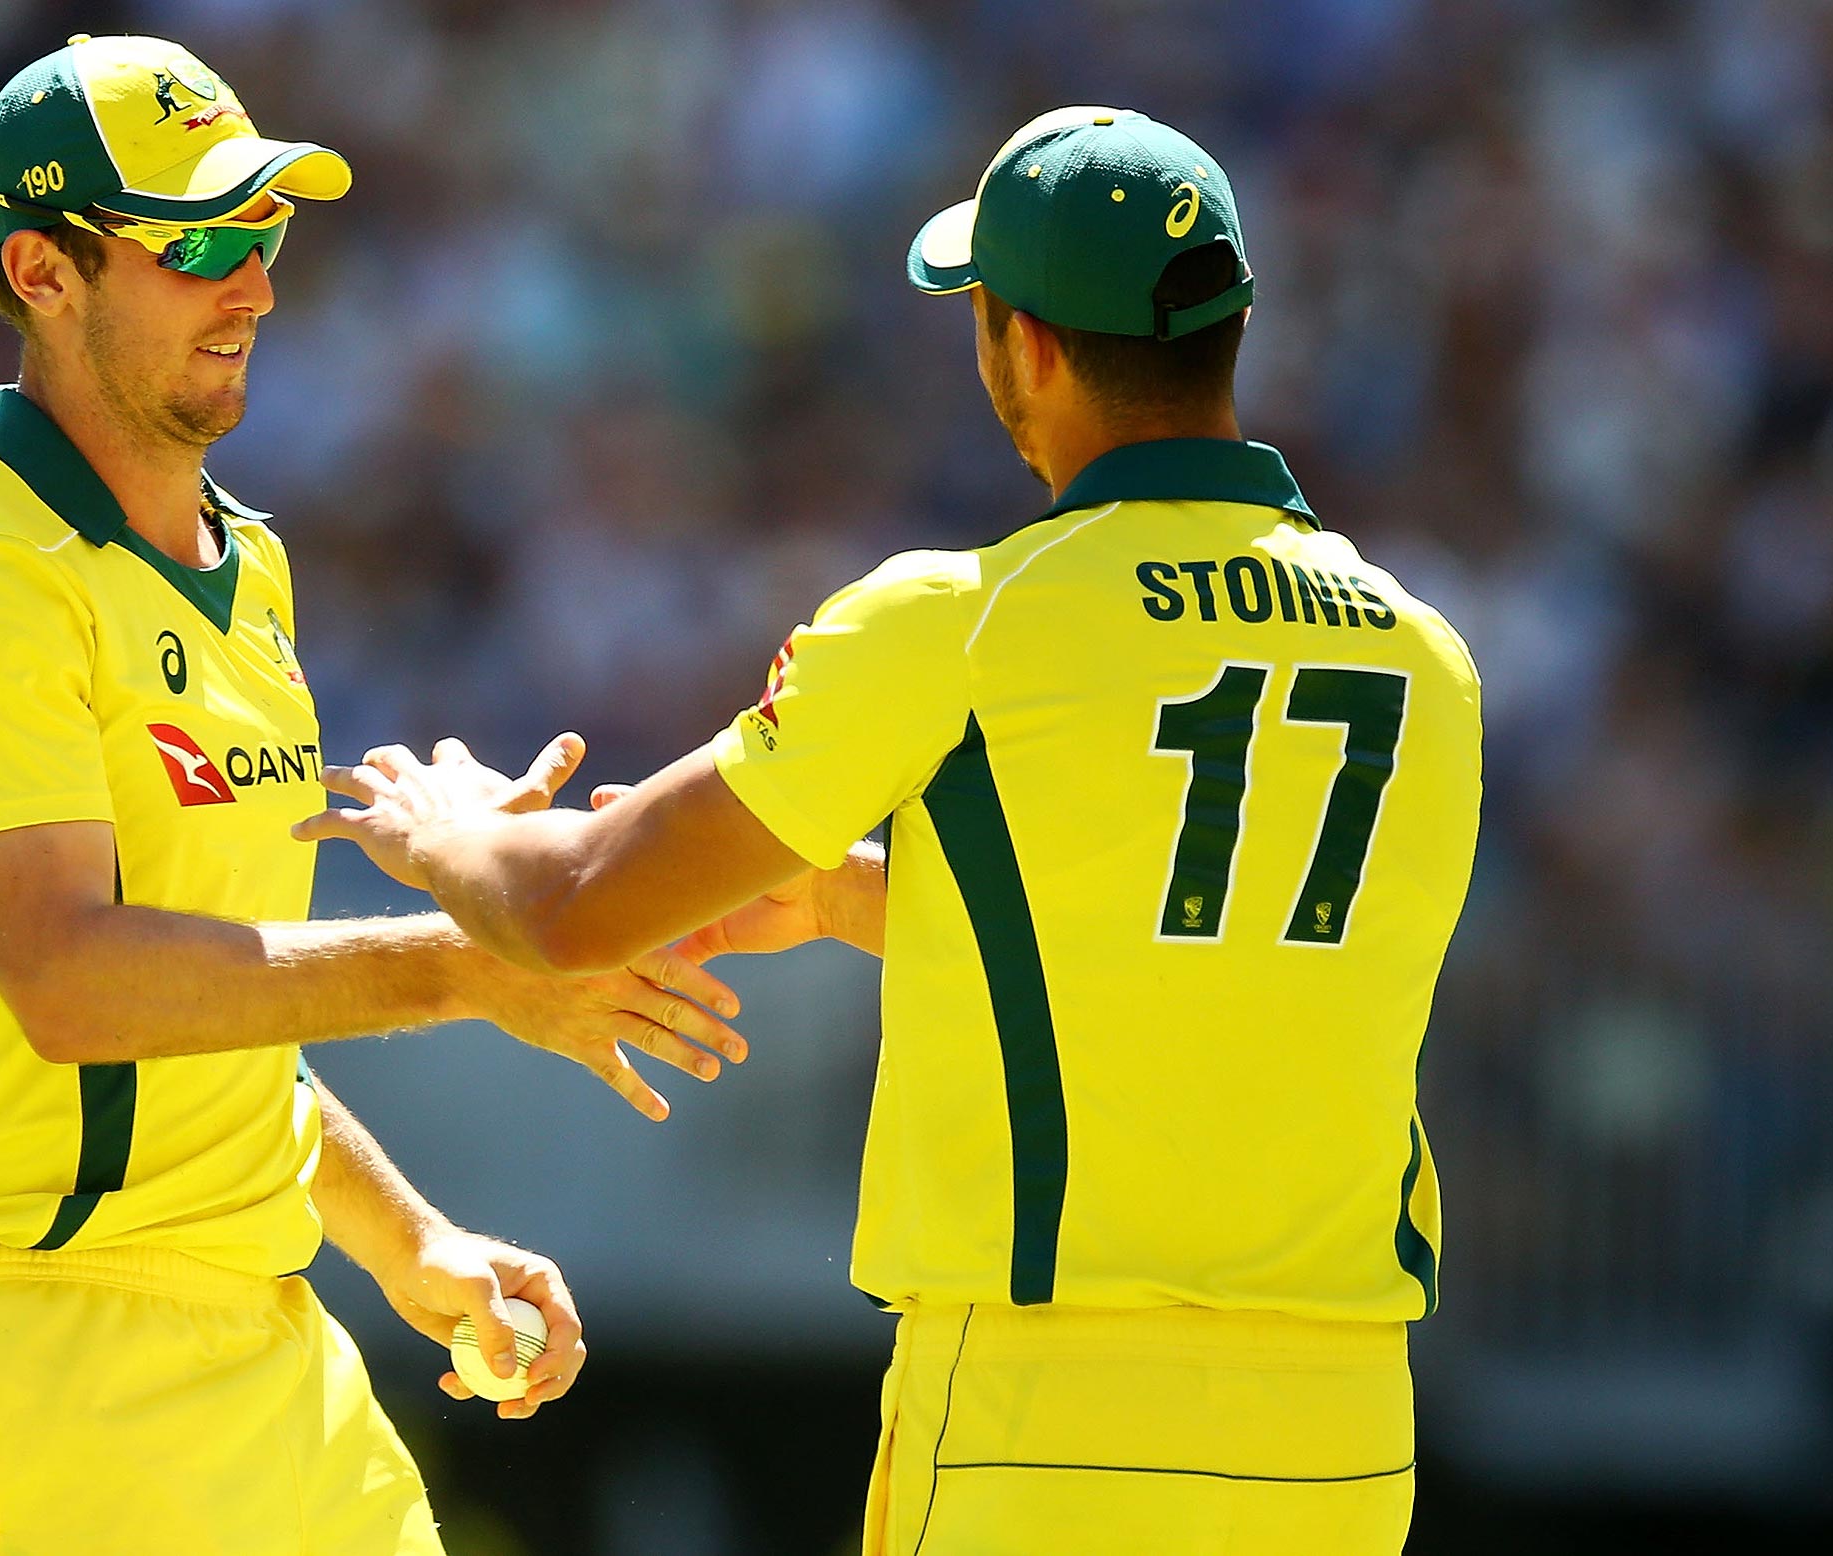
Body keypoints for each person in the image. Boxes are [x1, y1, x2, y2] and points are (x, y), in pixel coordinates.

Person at [300, 106, 1481, 1556]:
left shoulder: (965, 616)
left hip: (1049, 1426)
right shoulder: (1426, 654)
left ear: (1026, 346)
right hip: (1348, 1436)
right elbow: (1200, 935)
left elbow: (574, 905)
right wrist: (864, 900)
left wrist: (444, 829)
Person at [0, 33, 747, 1556]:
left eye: (266, 234)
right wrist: (477, 957)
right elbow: (76, 988)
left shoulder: (245, 567)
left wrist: (409, 1241)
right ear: (42, 271)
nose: (252, 285)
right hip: (39, 1339)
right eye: (198, 244)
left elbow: (215, 1019)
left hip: (268, 1332)